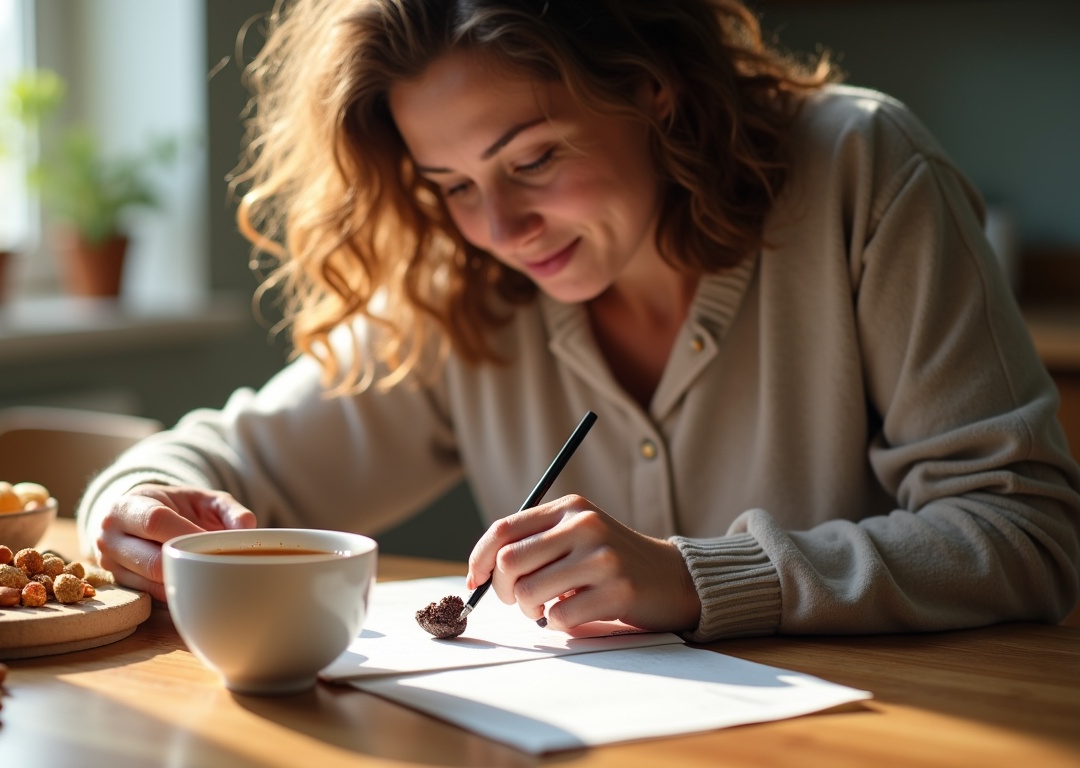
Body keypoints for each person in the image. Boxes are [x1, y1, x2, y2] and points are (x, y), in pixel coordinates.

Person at [78, 0, 1080, 641]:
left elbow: (1024, 534)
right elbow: (227, 458)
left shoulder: (860, 169)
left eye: (533, 159)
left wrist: (696, 578)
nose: (498, 227)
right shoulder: (462, 279)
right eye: (451, 183)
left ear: (652, 89)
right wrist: (133, 507)